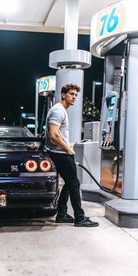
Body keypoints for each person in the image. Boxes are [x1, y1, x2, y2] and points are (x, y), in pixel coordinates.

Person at [45, 83, 99, 227]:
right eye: (71, 94)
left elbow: (58, 134)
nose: (74, 97)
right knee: (74, 184)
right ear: (64, 95)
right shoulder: (58, 111)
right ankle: (80, 218)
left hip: (61, 151)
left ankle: (61, 214)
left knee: (70, 184)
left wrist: (68, 146)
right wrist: (67, 149)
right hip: (60, 153)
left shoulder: (61, 110)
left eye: (76, 95)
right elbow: (53, 134)